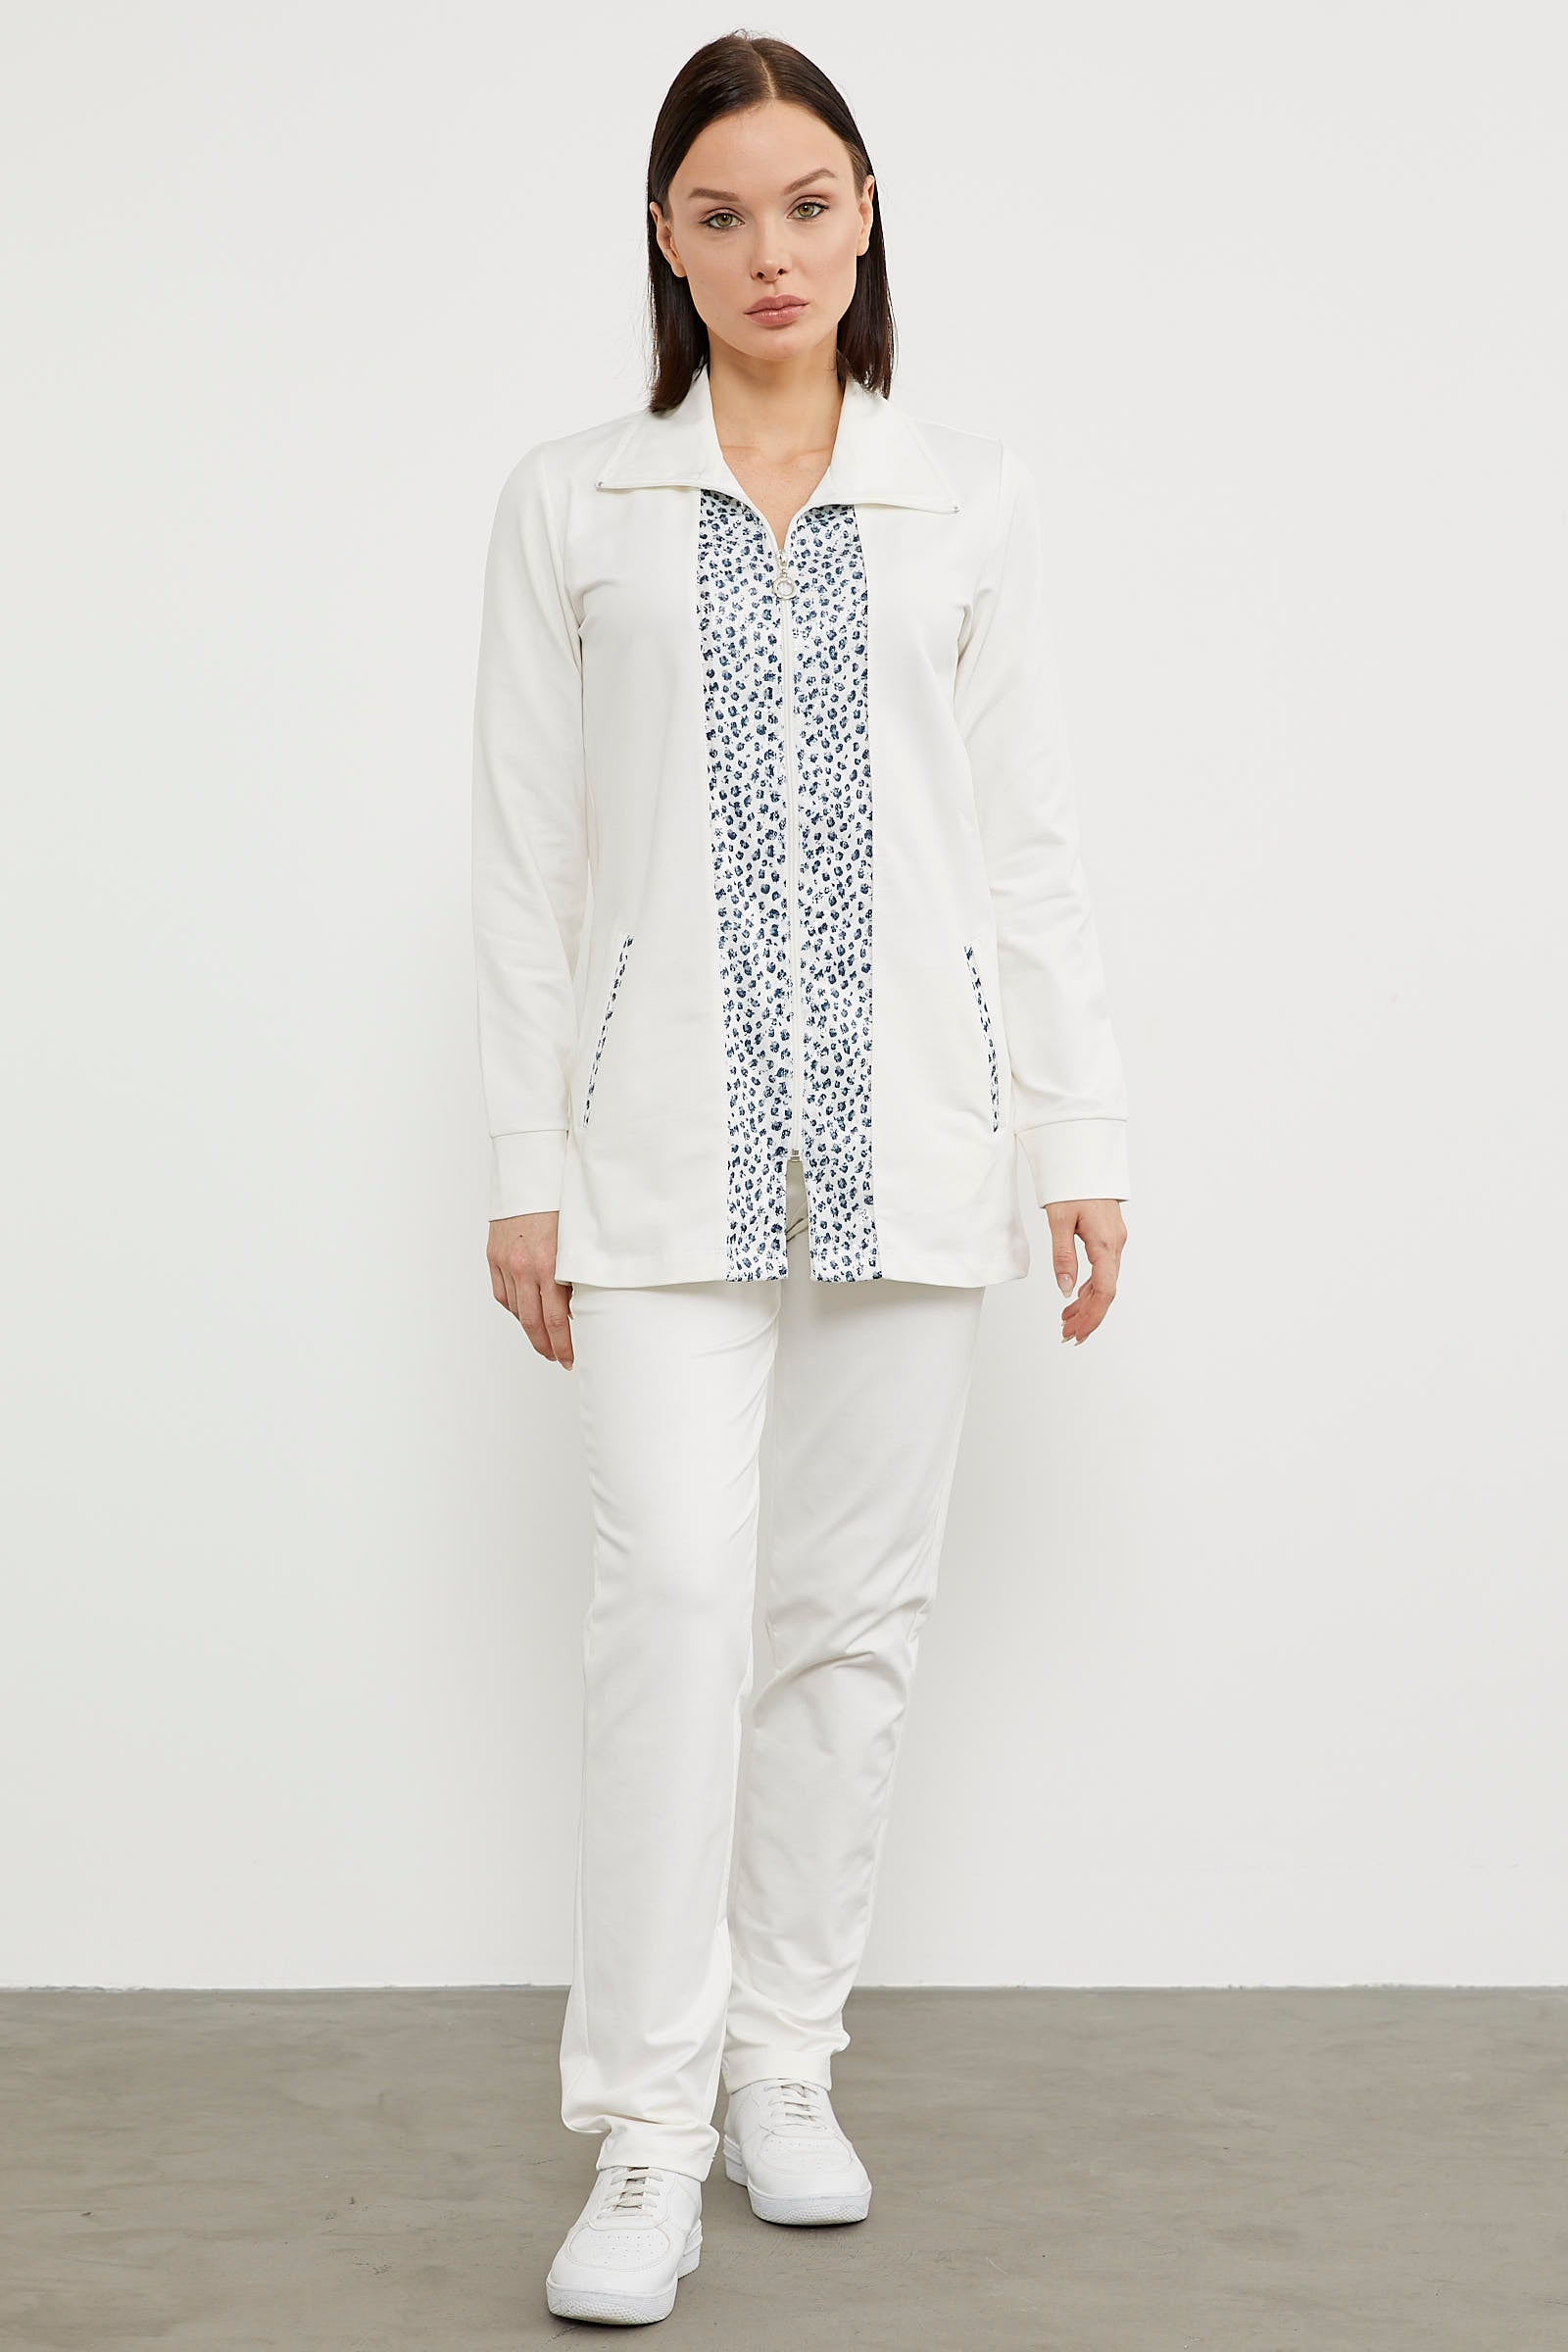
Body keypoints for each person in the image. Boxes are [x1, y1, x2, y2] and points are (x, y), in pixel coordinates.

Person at [470, 31, 1131, 2329]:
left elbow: (1027, 847)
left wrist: (1077, 1134)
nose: (772, 251)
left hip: (915, 1141)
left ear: (865, 217)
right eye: (723, 212)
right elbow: (523, 862)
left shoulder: (967, 503)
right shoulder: (574, 505)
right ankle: (643, 2131)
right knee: (670, 1606)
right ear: (665, 242)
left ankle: (781, 2069)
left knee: (847, 1628)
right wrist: (522, 1165)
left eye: (809, 203)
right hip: (653, 1157)